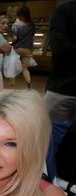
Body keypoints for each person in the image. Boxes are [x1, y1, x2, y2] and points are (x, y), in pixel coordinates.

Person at [44, 1, 76, 181]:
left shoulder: (64, 11)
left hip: (62, 87)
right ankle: (46, 183)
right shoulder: (66, 11)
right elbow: (60, 46)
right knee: (47, 140)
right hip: (63, 88)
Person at [10, 6, 36, 89]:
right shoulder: (32, 24)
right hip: (28, 49)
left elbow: (15, 38)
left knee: (12, 67)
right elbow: (32, 36)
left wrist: (11, 42)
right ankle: (28, 86)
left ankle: (12, 87)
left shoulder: (16, 24)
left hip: (17, 48)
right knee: (25, 69)